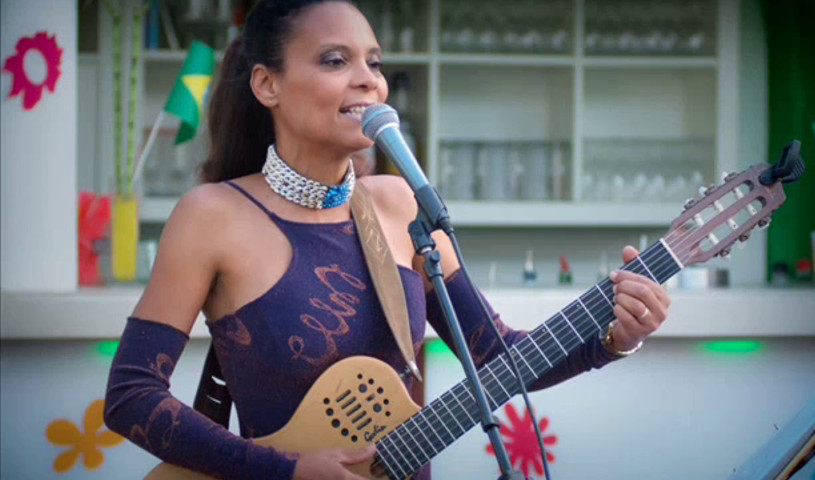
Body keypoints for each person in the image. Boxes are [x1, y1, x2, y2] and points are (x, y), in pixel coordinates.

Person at [103, 1, 671, 479]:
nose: (368, 79)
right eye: (335, 60)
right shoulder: (213, 215)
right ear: (267, 84)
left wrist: (613, 338)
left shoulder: (401, 206)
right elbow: (131, 395)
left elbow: (495, 356)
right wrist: (287, 470)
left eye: (373, 62)